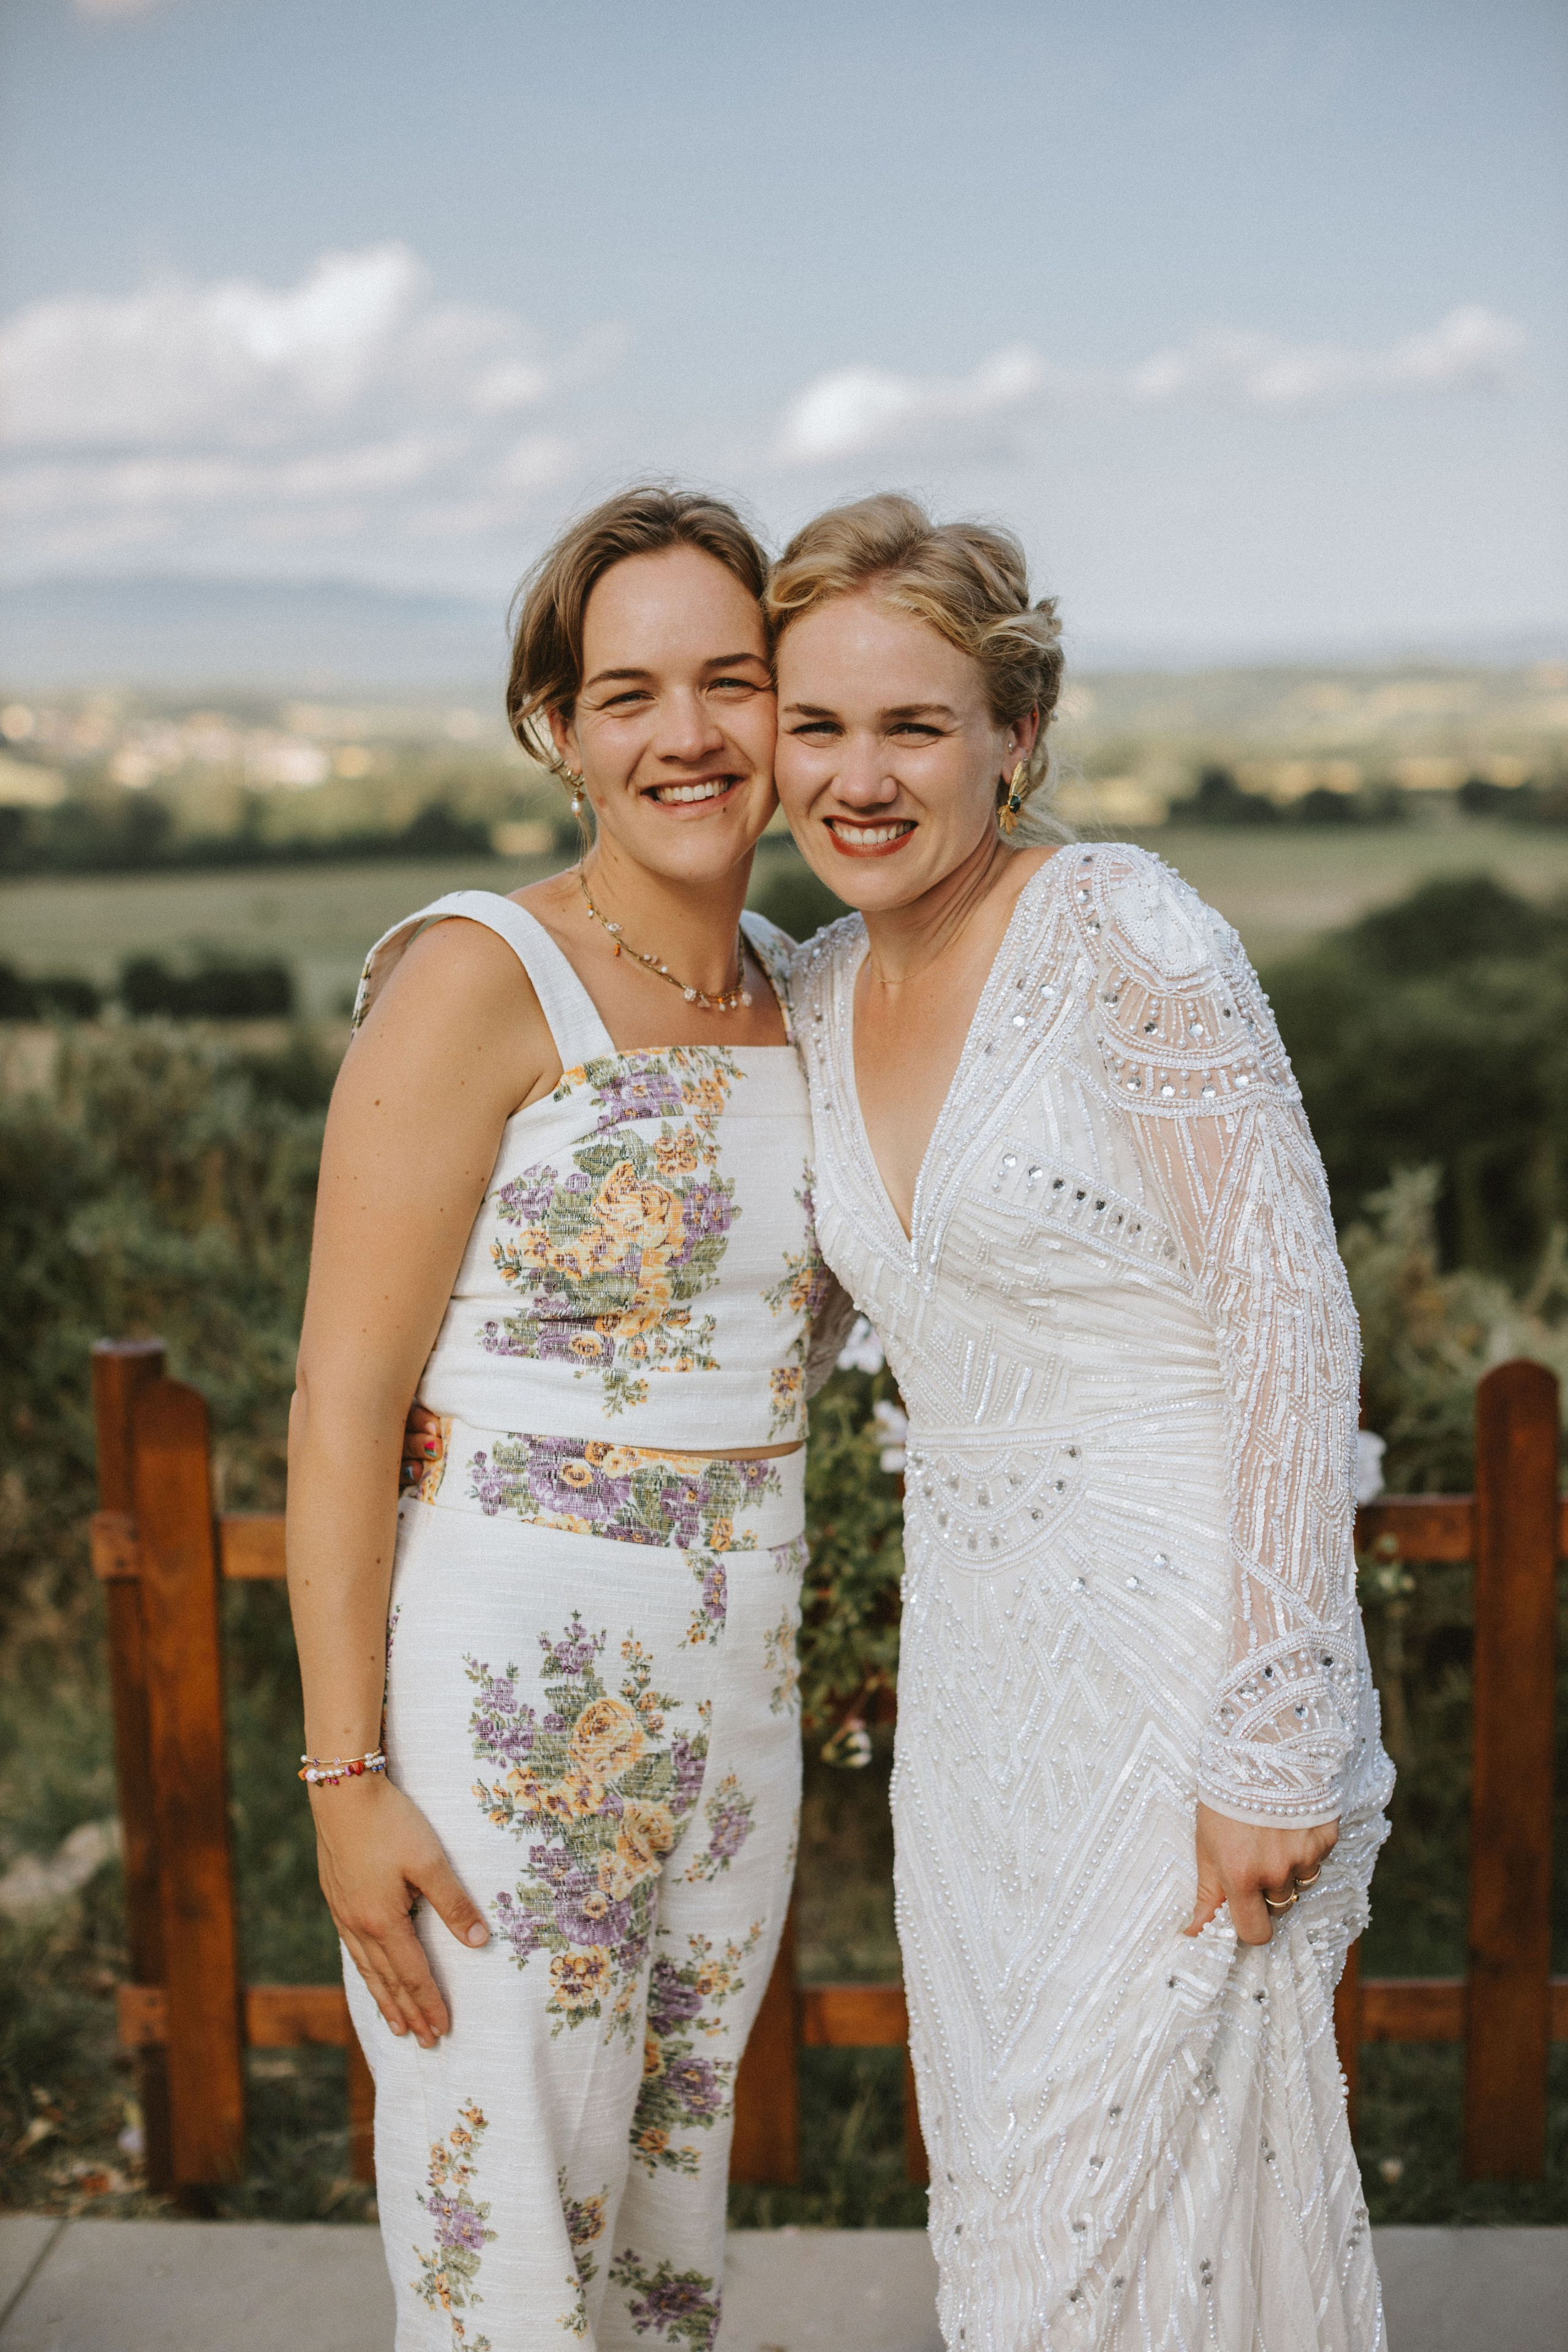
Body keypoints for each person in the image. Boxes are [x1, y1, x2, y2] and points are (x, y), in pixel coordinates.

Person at [766, 494, 1393, 2351]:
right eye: (820, 726)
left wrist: (1273, 1725)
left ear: (1015, 737)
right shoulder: (808, 994)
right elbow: (773, 1331)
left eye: (916, 725)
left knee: (1160, 2184)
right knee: (1009, 2178)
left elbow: (1288, 1317)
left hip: (1177, 1659)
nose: (860, 777)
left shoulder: (1129, 933)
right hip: (977, 1687)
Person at [287, 487, 842, 2350]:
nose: (685, 735)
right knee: (506, 2224)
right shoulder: (473, 976)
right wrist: (345, 1777)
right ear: (557, 728)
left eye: (732, 681)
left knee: (670, 2213)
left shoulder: (810, 991)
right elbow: (345, 1397)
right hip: (511, 1684)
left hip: (736, 1682)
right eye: (628, 692)